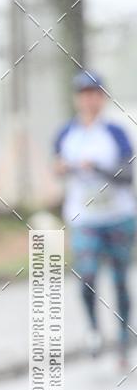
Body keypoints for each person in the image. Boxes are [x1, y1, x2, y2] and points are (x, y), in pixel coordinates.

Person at [54, 71, 136, 368]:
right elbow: (56, 168)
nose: (89, 100)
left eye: (94, 94)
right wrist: (62, 169)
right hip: (84, 218)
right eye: (84, 94)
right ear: (77, 99)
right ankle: (93, 330)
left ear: (103, 97)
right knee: (86, 276)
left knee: (119, 279)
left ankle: (123, 340)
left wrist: (97, 168)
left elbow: (127, 175)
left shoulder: (116, 133)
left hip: (118, 217)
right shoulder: (66, 134)